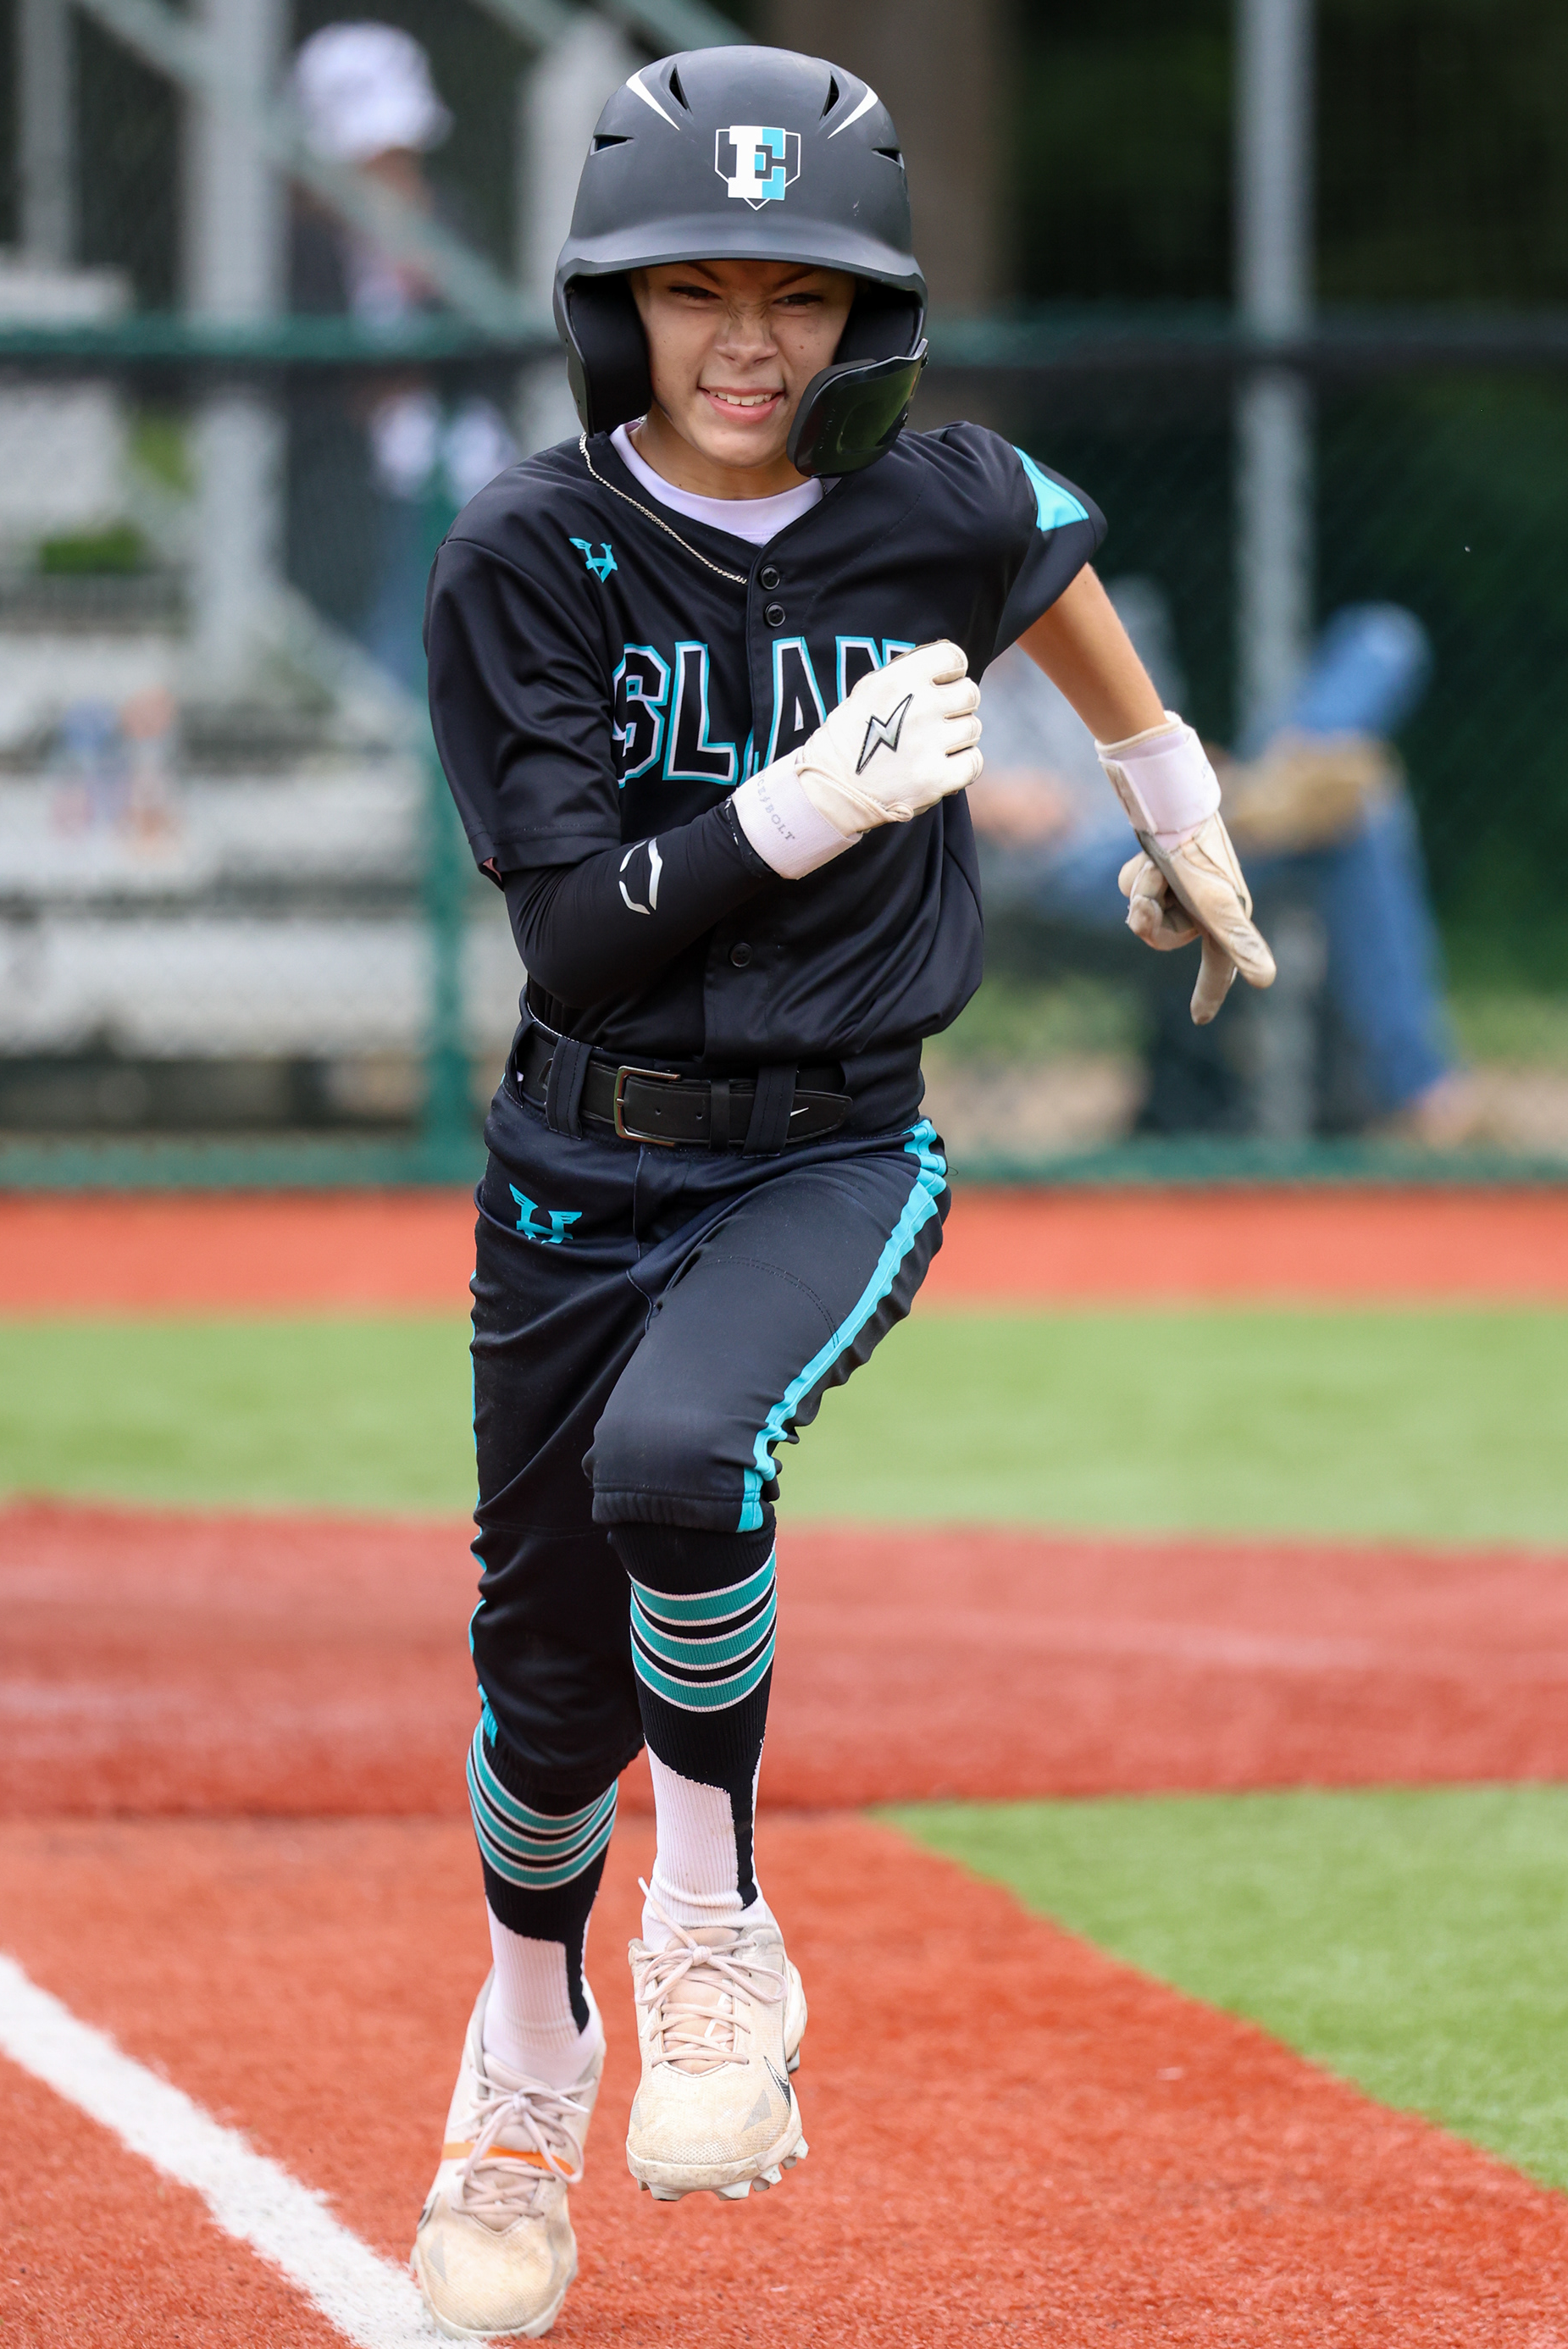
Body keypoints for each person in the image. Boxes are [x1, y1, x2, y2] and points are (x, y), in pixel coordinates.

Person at [413, 45, 1275, 2341]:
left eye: (798, 293)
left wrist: (1173, 801)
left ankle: (714, 1933)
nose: (747, 340)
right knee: (541, 1696)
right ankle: (523, 2061)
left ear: (865, 313)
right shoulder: (527, 549)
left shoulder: (932, 490)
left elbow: (1046, 553)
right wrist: (812, 793)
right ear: (612, 304)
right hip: (577, 1152)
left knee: (680, 1461)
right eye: (692, 288)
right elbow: (576, 934)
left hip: (827, 1142)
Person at [972, 595, 1466, 1138]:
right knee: (1352, 809)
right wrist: (986, 798)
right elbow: (900, 769)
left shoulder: (1084, 630)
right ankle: (1421, 1088)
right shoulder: (933, 657)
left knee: (1384, 641)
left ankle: (1277, 781)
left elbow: (1157, 749)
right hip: (1068, 871)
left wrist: (1201, 774)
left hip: (1166, 823)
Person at [288, 22, 518, 692]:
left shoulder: (445, 223)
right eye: (370, 156)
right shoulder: (295, 246)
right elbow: (334, 388)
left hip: (469, 473)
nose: (391, 173)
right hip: (361, 498)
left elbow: (484, 359)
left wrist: (420, 275)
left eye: (400, 153)